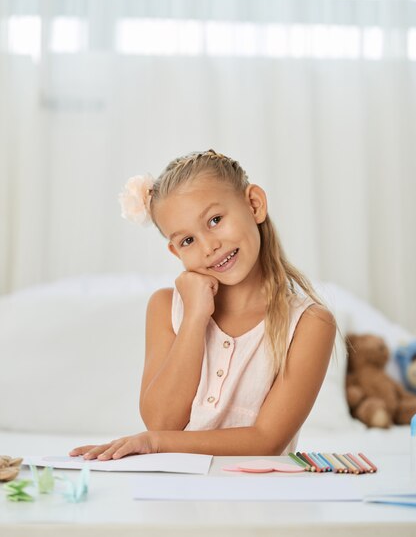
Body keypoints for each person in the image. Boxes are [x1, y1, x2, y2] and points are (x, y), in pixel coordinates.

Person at [69, 149, 336, 460]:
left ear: (254, 204)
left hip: (258, 502)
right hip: (176, 498)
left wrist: (156, 443)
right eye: (187, 241)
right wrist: (196, 317)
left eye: (215, 220)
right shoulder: (165, 307)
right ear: (175, 252)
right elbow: (162, 421)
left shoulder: (310, 324)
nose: (209, 247)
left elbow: (267, 440)